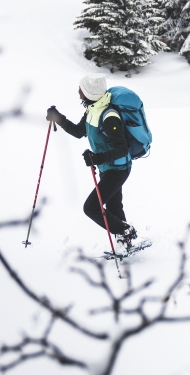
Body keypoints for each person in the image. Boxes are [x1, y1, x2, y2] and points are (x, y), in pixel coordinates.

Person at [46, 73, 138, 249]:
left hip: (118, 169)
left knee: (91, 208)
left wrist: (97, 158)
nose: (78, 91)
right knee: (113, 206)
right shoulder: (92, 110)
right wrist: (58, 117)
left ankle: (126, 231)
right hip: (107, 167)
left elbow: (121, 148)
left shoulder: (109, 116)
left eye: (81, 88)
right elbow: (79, 131)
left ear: (89, 92)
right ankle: (126, 241)